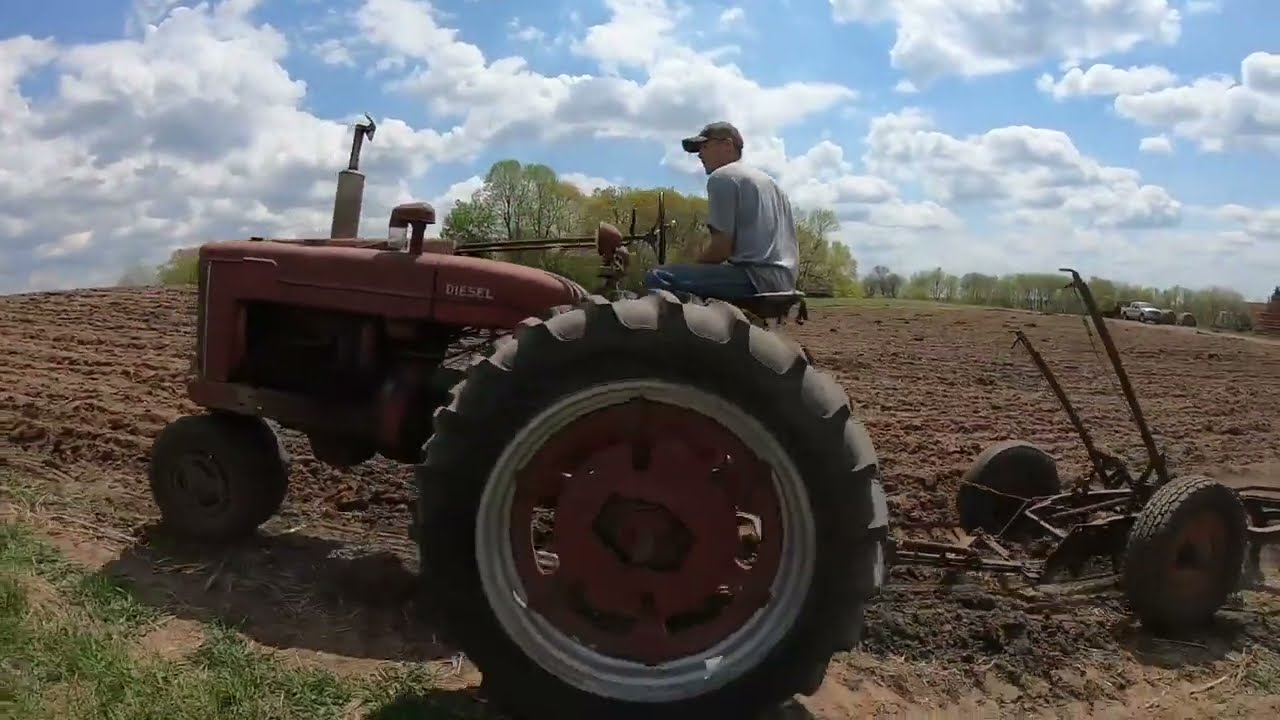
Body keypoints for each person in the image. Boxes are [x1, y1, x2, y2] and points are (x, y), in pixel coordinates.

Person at [642, 121, 800, 301]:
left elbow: (720, 249)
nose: (700, 154)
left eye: (705, 146)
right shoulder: (773, 186)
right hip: (785, 282)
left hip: (755, 279)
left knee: (658, 276)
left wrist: (694, 266)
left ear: (727, 145)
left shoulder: (723, 177)